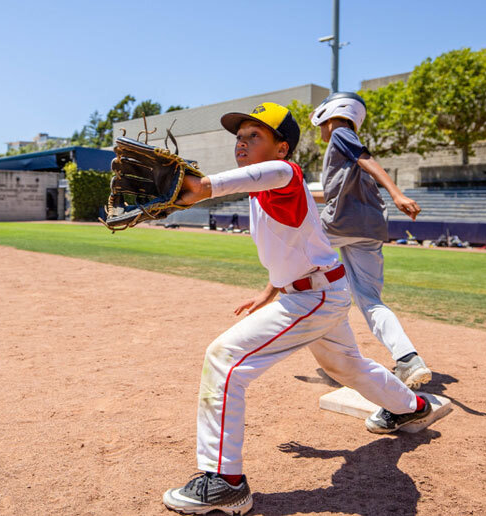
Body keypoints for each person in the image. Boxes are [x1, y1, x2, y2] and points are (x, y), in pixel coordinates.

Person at [161, 102, 431, 516]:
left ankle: (225, 482)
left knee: (224, 359)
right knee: (348, 368)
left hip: (315, 297)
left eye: (256, 136)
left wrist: (204, 186)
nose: (243, 143)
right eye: (240, 137)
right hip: (313, 291)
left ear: (282, 148)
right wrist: (270, 289)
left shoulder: (286, 173)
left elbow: (266, 176)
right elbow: (294, 245)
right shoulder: (264, 191)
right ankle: (411, 408)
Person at [310, 92, 432, 389]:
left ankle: (339, 360)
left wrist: (397, 192)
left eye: (321, 125)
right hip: (369, 228)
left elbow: (366, 158)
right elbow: (330, 194)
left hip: (342, 223)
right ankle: (408, 360)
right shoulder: (343, 155)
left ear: (330, 114)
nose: (321, 131)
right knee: (370, 300)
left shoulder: (341, 133)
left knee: (301, 269)